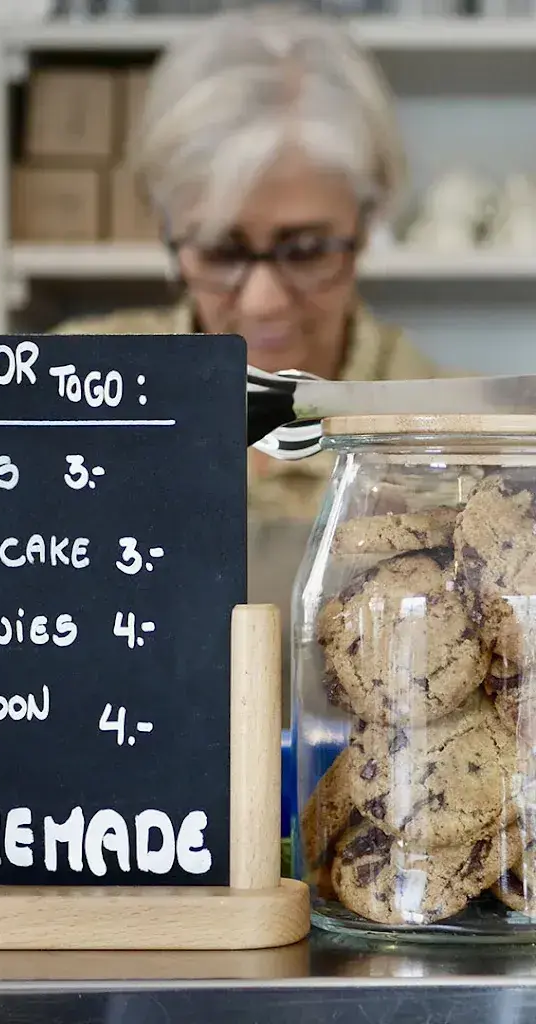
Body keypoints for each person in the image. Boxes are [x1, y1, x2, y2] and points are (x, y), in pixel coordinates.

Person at [51, 5, 445, 707]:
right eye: (223, 251)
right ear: (167, 226)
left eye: (306, 250)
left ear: (369, 219)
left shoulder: (454, 433)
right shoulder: (63, 393)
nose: (263, 301)